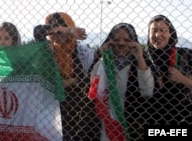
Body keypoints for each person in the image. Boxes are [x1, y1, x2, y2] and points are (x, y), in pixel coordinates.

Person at [33, 12, 101, 141]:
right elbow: (37, 30)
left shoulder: (83, 52)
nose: (57, 36)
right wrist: (67, 30)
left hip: (79, 107)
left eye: (60, 31)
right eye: (53, 32)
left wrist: (70, 82)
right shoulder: (49, 50)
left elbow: (92, 78)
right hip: (54, 107)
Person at [88, 23, 154, 141]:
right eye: (116, 39)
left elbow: (147, 91)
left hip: (130, 123)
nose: (121, 43)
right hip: (106, 123)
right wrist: (102, 57)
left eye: (127, 40)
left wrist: (139, 57)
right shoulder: (105, 63)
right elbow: (93, 87)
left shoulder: (139, 64)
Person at [146, 14, 192, 125]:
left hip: (184, 119)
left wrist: (182, 79)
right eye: (154, 31)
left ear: (170, 33)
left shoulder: (186, 55)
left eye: (163, 30)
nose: (158, 35)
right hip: (151, 119)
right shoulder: (143, 59)